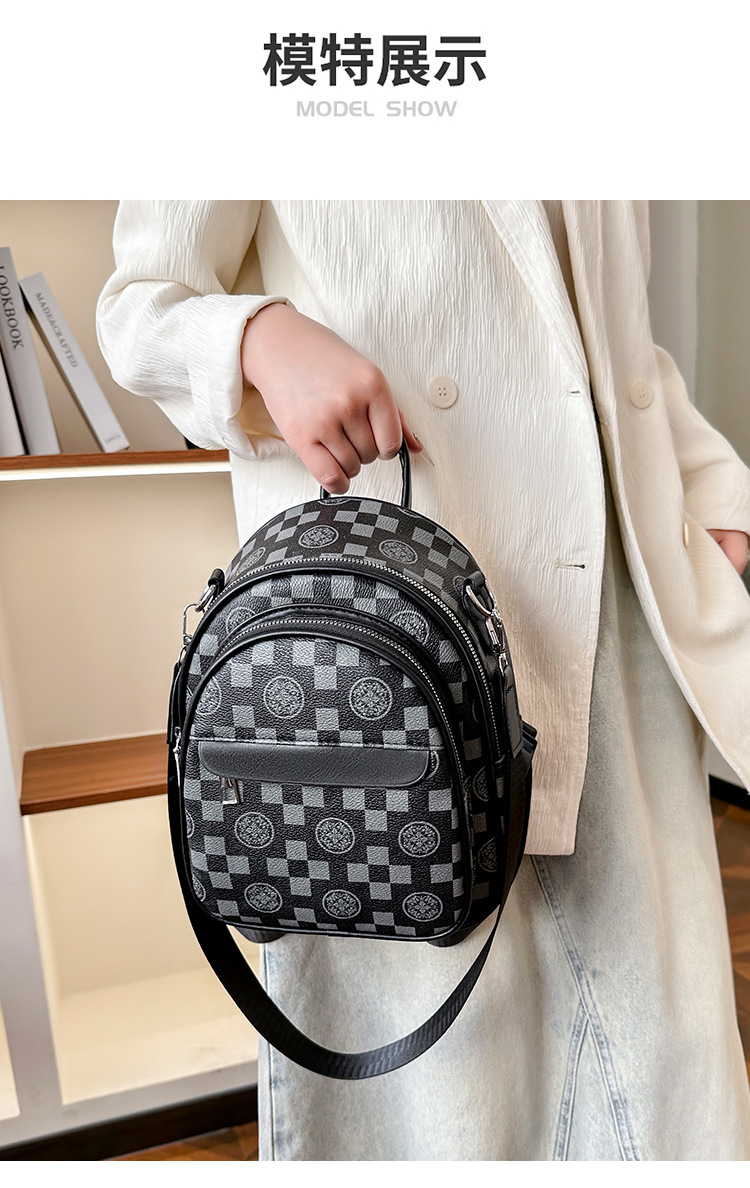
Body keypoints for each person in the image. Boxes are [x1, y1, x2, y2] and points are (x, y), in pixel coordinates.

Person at [97, 200, 750, 1161]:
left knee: (671, 1078)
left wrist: (710, 488)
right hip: (390, 656)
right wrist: (259, 339)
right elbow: (137, 308)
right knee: (441, 1107)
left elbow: (616, 341)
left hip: (618, 615)